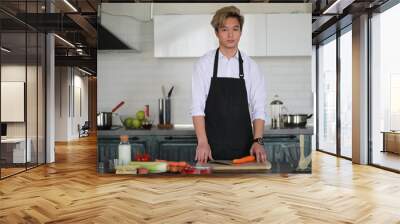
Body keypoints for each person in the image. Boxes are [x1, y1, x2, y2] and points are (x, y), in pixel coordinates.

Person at [191, 6, 267, 163]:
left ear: (241, 32)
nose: (230, 35)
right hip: (210, 150)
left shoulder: (251, 66)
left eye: (235, 29)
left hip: (244, 151)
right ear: (216, 33)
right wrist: (202, 143)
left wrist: (258, 141)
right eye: (224, 29)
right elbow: (197, 107)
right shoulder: (204, 64)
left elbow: (259, 107)